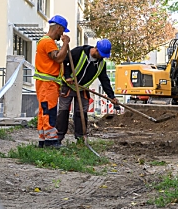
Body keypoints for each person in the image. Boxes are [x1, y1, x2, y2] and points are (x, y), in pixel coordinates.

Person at [57, 38, 121, 143]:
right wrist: (67, 76)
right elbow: (65, 62)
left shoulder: (101, 64)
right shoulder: (79, 52)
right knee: (63, 111)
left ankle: (81, 138)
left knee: (81, 112)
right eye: (101, 54)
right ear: (95, 49)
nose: (102, 57)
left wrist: (111, 96)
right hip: (68, 85)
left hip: (82, 89)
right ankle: (58, 137)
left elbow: (104, 80)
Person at [33, 16, 71, 147]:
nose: (62, 34)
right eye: (63, 31)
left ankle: (43, 139)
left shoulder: (46, 41)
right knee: (49, 111)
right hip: (47, 84)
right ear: (59, 28)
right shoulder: (48, 42)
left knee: (45, 111)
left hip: (46, 83)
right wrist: (66, 44)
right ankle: (51, 141)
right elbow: (58, 59)